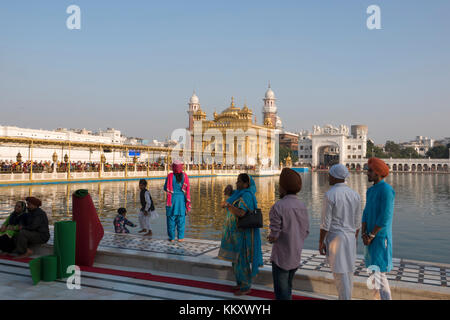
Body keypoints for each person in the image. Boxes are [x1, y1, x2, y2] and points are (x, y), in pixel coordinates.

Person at [319, 164, 361, 300]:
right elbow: (357, 223)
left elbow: (326, 223)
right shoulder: (355, 195)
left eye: (330, 174)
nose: (328, 177)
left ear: (335, 177)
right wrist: (353, 239)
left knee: (339, 276)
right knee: (348, 273)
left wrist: (321, 242)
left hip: (336, 239)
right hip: (350, 238)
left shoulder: (330, 195)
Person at [218, 173, 263, 296]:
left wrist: (228, 205)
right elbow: (231, 199)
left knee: (241, 260)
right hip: (235, 233)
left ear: (246, 184)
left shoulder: (247, 195)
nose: (236, 183)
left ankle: (245, 286)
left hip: (242, 234)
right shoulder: (238, 193)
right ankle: (240, 283)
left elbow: (242, 213)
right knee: (235, 260)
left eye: (239, 181)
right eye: (237, 181)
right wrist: (229, 192)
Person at [268, 168, 309, 300]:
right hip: (295, 254)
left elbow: (274, 235)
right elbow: (306, 231)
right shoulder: (302, 206)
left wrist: (271, 238)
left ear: (283, 187)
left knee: (281, 293)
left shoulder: (278, 206)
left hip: (281, 257)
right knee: (288, 288)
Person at [362, 157, 395, 300]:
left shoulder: (387, 190)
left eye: (370, 171)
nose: (367, 173)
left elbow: (385, 217)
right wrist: (364, 233)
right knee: (372, 272)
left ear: (378, 173)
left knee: (379, 273)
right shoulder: (371, 191)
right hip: (370, 237)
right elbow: (365, 213)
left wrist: (372, 235)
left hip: (379, 237)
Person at [164, 160, 191, 242]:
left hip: (171, 200)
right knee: (181, 220)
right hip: (181, 201)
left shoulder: (170, 176)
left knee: (171, 220)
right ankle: (180, 238)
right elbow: (187, 189)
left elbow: (166, 188)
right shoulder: (185, 176)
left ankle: (171, 238)